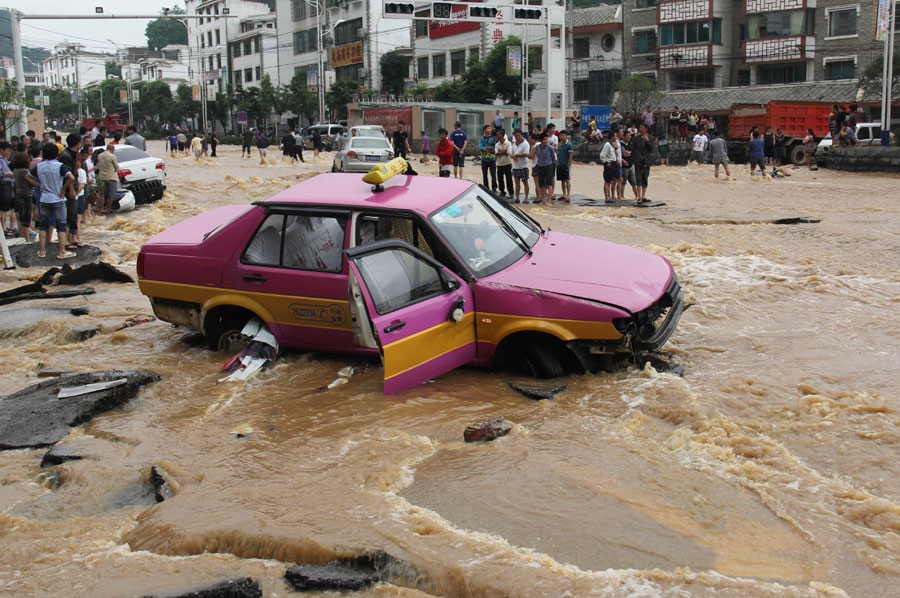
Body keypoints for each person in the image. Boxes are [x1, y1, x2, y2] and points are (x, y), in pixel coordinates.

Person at [34, 143, 76, 259]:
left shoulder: (39, 166)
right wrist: (63, 189)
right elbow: (71, 178)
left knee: (43, 226)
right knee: (61, 225)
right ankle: (61, 251)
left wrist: (38, 185)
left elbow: (28, 176)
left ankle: (42, 251)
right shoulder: (60, 166)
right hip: (58, 198)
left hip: (44, 198)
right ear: (57, 154)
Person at [58, 133, 81, 247]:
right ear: (77, 143)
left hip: (74, 187)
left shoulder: (73, 154)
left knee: (74, 213)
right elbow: (67, 175)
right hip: (69, 188)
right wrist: (71, 189)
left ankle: (73, 237)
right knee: (69, 213)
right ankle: (66, 240)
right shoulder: (65, 156)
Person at [12, 150, 37, 241]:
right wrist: (39, 184)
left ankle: (21, 237)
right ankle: (27, 239)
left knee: (20, 218)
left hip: (18, 195)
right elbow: (32, 183)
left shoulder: (15, 171)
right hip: (27, 195)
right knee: (27, 219)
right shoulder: (25, 171)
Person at [631, 124, 654, 203]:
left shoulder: (651, 138)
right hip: (638, 161)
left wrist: (647, 141)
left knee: (645, 178)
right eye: (640, 128)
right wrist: (634, 159)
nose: (640, 129)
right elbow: (632, 150)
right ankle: (639, 197)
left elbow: (651, 149)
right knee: (638, 178)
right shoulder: (636, 138)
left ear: (646, 129)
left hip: (646, 161)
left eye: (641, 128)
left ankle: (643, 196)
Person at [533, 133, 556, 205]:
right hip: (540, 166)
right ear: (541, 140)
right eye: (545, 139)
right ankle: (543, 200)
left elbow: (553, 158)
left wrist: (553, 168)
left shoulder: (550, 148)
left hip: (548, 166)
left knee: (549, 184)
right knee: (541, 184)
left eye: (547, 139)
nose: (546, 141)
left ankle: (549, 200)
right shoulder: (537, 147)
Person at [97, 144, 120, 214]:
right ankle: (108, 209)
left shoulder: (100, 156)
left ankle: (100, 208)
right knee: (111, 194)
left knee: (102, 194)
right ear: (112, 149)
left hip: (101, 177)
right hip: (111, 177)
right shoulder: (112, 157)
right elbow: (116, 166)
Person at [510, 129, 531, 203]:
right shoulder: (514, 144)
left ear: (522, 135)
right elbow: (511, 153)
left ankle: (526, 198)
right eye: (516, 136)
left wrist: (516, 155)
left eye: (518, 136)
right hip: (516, 166)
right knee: (517, 183)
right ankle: (517, 198)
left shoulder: (526, 144)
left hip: (524, 166)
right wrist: (513, 156)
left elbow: (526, 154)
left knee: (525, 182)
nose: (517, 137)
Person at [0, 142, 16, 234]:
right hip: (4, 183)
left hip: (10, 183)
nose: (8, 152)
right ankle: (3, 229)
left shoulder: (5, 159)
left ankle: (12, 227)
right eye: (7, 150)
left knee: (12, 206)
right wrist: (9, 174)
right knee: (4, 208)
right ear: (1, 149)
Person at [600, 130, 619, 203]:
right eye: (615, 136)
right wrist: (606, 162)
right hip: (609, 164)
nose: (616, 137)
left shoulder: (613, 145)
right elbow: (602, 155)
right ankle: (607, 197)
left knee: (612, 180)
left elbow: (614, 154)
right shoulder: (607, 144)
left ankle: (610, 196)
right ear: (611, 137)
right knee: (607, 181)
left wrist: (616, 160)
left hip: (614, 163)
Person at [494, 128, 513, 199]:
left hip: (507, 163)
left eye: (498, 135)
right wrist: (504, 151)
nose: (497, 136)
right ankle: (502, 191)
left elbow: (509, 152)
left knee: (509, 179)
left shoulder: (508, 143)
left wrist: (501, 152)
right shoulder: (497, 144)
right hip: (499, 164)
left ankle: (511, 192)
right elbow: (496, 153)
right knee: (500, 179)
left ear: (502, 135)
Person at [478, 124, 497, 193]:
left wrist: (485, 148)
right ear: (485, 130)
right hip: (484, 159)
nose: (490, 130)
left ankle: (494, 188)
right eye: (488, 128)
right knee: (484, 174)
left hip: (492, 159)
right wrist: (489, 149)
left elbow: (494, 149)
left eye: (490, 128)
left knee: (493, 174)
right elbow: (480, 148)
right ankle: (486, 187)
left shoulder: (493, 139)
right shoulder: (481, 139)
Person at [556, 130, 573, 204]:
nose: (561, 137)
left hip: (566, 165)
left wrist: (568, 164)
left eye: (563, 135)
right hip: (560, 164)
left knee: (567, 180)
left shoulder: (569, 145)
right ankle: (564, 194)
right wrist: (557, 163)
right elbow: (558, 155)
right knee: (562, 180)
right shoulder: (559, 145)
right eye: (560, 135)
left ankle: (568, 195)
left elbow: (571, 156)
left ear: (566, 136)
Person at [619, 130, 636, 200]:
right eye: (628, 136)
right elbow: (625, 154)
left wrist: (630, 153)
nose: (630, 137)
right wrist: (630, 153)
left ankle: (637, 196)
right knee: (623, 182)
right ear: (624, 136)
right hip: (624, 166)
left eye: (630, 136)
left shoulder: (630, 144)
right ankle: (622, 196)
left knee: (634, 182)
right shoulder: (620, 144)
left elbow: (633, 152)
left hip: (631, 165)